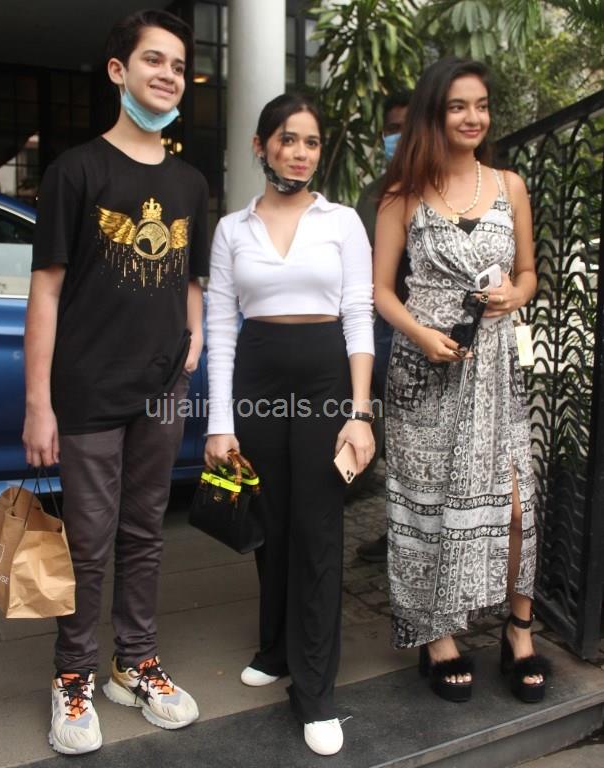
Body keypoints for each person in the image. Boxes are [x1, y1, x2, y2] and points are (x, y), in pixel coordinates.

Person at [23, 9, 209, 755]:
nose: (168, 75)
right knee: (88, 541)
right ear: (118, 71)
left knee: (145, 535)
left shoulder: (190, 182)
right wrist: (38, 403)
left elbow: (190, 277)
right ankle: (73, 674)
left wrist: (193, 337)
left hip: (161, 391)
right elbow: (45, 292)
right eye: (153, 60)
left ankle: (135, 663)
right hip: (88, 390)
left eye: (178, 66)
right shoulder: (75, 172)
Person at [204, 93, 375, 756]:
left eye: (310, 141)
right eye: (286, 139)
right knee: (269, 523)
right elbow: (221, 328)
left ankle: (315, 691)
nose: (299, 152)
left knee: (316, 529)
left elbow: (358, 315)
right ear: (261, 146)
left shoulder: (341, 222)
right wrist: (220, 423)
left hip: (326, 384)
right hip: (257, 382)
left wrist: (359, 412)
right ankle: (275, 649)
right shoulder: (232, 229)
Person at [374, 57, 548, 704]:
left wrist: (515, 295)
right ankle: (435, 634)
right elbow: (380, 292)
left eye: (481, 105)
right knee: (428, 509)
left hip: (495, 371)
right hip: (424, 373)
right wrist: (421, 334)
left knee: (514, 507)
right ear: (433, 113)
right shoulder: (403, 194)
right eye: (457, 106)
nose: (473, 117)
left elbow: (528, 273)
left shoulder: (508, 185)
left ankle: (518, 629)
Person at [355, 90, 411, 564]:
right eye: (393, 128)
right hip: (383, 330)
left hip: (436, 331)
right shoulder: (372, 195)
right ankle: (397, 533)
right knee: (395, 438)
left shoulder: (443, 186)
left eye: (409, 127)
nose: (401, 136)